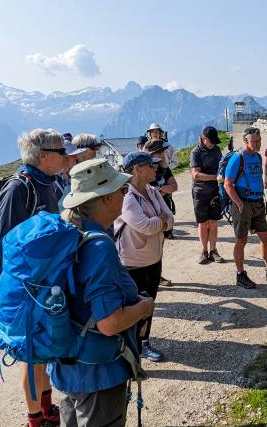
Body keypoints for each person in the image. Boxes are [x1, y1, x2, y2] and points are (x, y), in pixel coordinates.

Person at [53, 158, 155, 426]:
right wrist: (145, 307)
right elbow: (110, 323)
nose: (125, 195)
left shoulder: (69, 233)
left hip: (68, 363)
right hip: (98, 370)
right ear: (106, 198)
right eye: (122, 190)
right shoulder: (99, 248)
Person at [0, 128, 66, 427]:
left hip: (47, 284)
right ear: (44, 156)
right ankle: (35, 418)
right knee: (30, 352)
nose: (66, 156)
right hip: (27, 289)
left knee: (45, 349)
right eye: (61, 152)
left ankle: (47, 406)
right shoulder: (18, 189)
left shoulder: (50, 183)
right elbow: (7, 247)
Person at [115, 152, 174, 363]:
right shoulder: (126, 196)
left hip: (153, 259)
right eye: (150, 165)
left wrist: (158, 221)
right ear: (137, 169)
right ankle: (132, 348)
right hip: (133, 262)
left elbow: (171, 218)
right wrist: (161, 222)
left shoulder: (151, 190)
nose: (155, 168)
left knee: (149, 303)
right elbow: (145, 227)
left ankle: (143, 344)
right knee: (135, 307)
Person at [224, 127, 267, 288]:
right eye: (254, 141)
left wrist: (262, 193)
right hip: (243, 203)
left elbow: (258, 178)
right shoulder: (237, 158)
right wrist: (239, 203)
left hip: (257, 202)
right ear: (245, 141)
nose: (258, 143)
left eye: (259, 140)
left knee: (266, 237)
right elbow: (228, 184)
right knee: (241, 240)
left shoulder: (258, 157)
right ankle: (240, 275)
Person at [190, 126, 226, 265]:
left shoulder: (216, 149)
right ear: (203, 139)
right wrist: (215, 177)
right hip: (200, 192)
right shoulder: (196, 152)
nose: (213, 144)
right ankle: (204, 251)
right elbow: (196, 175)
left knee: (214, 222)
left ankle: (213, 251)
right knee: (203, 223)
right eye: (210, 141)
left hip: (215, 192)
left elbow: (221, 166)